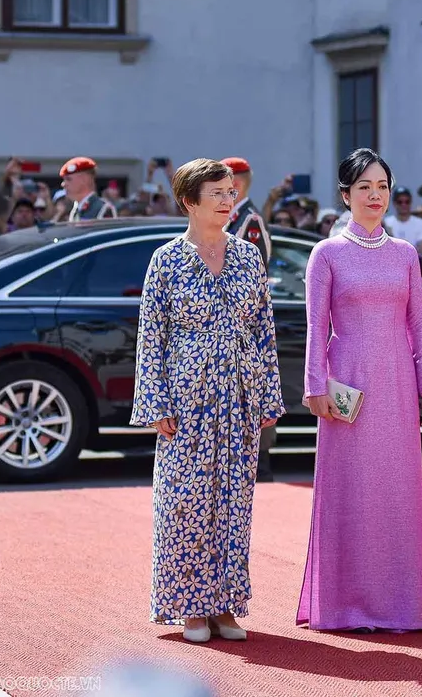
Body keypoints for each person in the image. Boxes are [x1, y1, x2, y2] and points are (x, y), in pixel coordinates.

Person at [130, 158, 285, 643]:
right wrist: (156, 403)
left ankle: (225, 607)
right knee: (185, 502)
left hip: (238, 395)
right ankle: (190, 608)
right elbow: (151, 337)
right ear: (188, 201)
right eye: (216, 192)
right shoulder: (167, 259)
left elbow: (263, 330)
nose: (227, 199)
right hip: (187, 397)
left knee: (234, 502)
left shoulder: (246, 257)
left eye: (230, 190)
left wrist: (267, 399)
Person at [297, 148, 422, 632]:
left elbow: (418, 324)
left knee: (396, 490)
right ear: (345, 195)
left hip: (398, 382)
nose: (375, 195)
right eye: (364, 187)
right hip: (347, 383)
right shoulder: (327, 253)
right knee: (349, 490)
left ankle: (402, 604)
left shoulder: (404, 255)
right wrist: (315, 385)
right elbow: (317, 326)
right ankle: (343, 604)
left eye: (382, 186)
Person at [221, 156, 277, 483]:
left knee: (254, 390)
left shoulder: (249, 220)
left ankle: (261, 459)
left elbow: (255, 274)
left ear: (236, 184)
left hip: (247, 322)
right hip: (229, 322)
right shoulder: (230, 218)